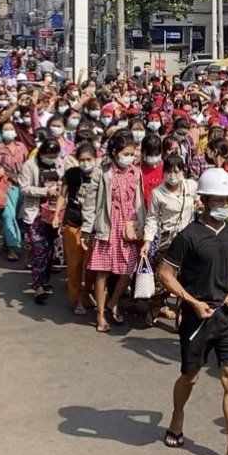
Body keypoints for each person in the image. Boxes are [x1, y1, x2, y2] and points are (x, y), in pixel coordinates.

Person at [156, 168, 228, 455]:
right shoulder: (188, 236)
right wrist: (191, 301)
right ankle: (177, 418)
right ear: (203, 200)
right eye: (220, 199)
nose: (226, 204)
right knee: (190, 376)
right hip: (196, 318)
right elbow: (165, 273)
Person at [81, 133, 147, 333]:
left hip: (129, 228)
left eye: (132, 153)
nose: (130, 157)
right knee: (102, 271)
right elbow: (91, 202)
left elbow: (140, 202)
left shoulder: (136, 173)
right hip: (107, 227)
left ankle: (114, 301)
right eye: (125, 153)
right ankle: (100, 314)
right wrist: (86, 229)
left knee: (128, 269)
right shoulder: (103, 173)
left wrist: (142, 228)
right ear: (114, 153)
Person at [140, 153, 197, 327]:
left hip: (189, 238)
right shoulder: (158, 193)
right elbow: (151, 218)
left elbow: (201, 202)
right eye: (169, 172)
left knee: (186, 278)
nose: (173, 176)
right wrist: (147, 241)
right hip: (167, 240)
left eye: (177, 171)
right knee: (162, 278)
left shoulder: (191, 187)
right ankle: (156, 306)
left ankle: (182, 311)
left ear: (183, 172)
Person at [20, 140, 65, 304]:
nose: (52, 159)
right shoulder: (30, 165)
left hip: (53, 213)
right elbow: (24, 188)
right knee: (39, 249)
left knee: (50, 248)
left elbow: (65, 183)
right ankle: (38, 285)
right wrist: (44, 191)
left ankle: (45, 280)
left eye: (55, 156)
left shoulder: (61, 164)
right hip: (35, 213)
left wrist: (60, 189)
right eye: (49, 156)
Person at [0, 119, 29, 262]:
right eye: (6, 129)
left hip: (21, 186)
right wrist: (0, 170)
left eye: (11, 129)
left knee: (17, 217)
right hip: (4, 186)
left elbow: (27, 165)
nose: (9, 132)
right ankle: (12, 248)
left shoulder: (21, 147)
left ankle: (7, 240)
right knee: (7, 216)